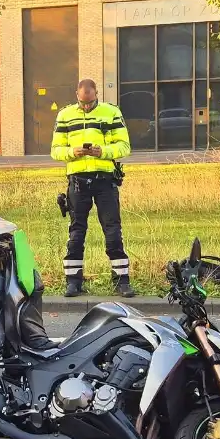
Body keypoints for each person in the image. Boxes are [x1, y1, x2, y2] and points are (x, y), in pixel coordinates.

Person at [51, 79, 134, 298]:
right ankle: (73, 281)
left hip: (105, 179)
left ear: (97, 93)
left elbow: (124, 146)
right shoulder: (65, 115)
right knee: (76, 231)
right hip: (78, 180)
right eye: (82, 102)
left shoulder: (111, 112)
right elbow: (56, 150)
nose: (86, 106)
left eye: (90, 102)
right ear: (77, 95)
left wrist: (102, 151)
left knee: (113, 230)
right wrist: (73, 152)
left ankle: (121, 281)